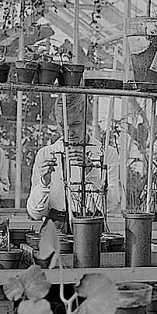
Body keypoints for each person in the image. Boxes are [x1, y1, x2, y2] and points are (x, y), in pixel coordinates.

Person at [26, 93, 103, 233]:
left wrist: (91, 172)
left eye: (75, 124)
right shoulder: (46, 154)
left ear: (88, 120)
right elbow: (35, 213)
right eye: (62, 125)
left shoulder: (104, 153)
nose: (68, 131)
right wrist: (44, 183)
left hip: (91, 228)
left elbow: (111, 205)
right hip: (55, 231)